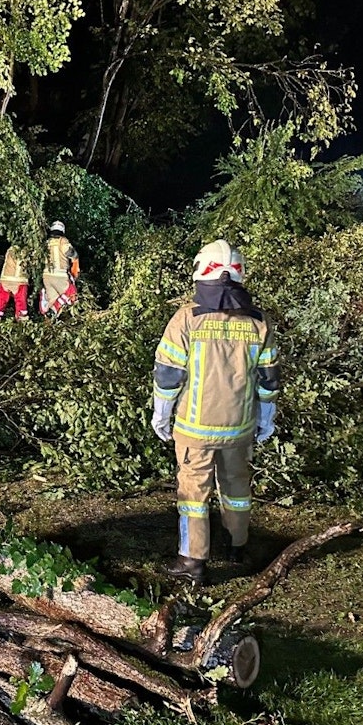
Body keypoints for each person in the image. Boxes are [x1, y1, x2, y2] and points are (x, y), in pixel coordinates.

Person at [152, 240, 280, 586]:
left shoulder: (187, 319)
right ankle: (237, 546)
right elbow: (269, 378)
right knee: (237, 488)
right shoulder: (258, 322)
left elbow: (168, 374)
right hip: (240, 427)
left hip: (195, 429)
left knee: (194, 495)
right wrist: (266, 417)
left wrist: (161, 415)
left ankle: (193, 561)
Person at [39, 221, 79, 317]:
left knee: (52, 301)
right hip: (60, 275)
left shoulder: (45, 243)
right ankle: (54, 309)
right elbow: (71, 253)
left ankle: (48, 314)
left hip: (46, 276)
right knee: (72, 294)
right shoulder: (62, 241)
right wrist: (75, 259)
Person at [0, 244, 30, 320]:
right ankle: (21, 318)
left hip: (5, 278)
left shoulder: (10, 249)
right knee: (21, 302)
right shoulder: (27, 251)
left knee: (1, 299)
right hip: (19, 280)